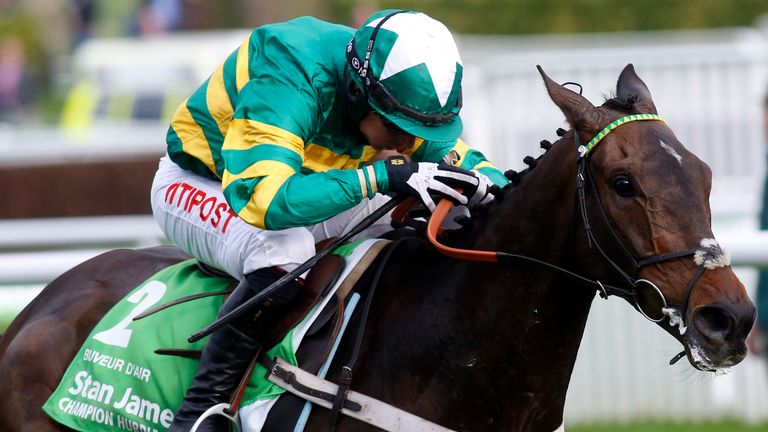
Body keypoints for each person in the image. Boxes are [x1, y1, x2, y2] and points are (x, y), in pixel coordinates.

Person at [150, 9, 508, 431]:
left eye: (419, 133)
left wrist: (487, 186)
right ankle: (200, 412)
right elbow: (264, 200)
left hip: (303, 188)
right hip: (208, 183)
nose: (408, 144)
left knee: (420, 222)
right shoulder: (293, 69)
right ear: (358, 93)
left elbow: (468, 163)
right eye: (398, 128)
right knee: (283, 249)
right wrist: (380, 175)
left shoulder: (395, 91)